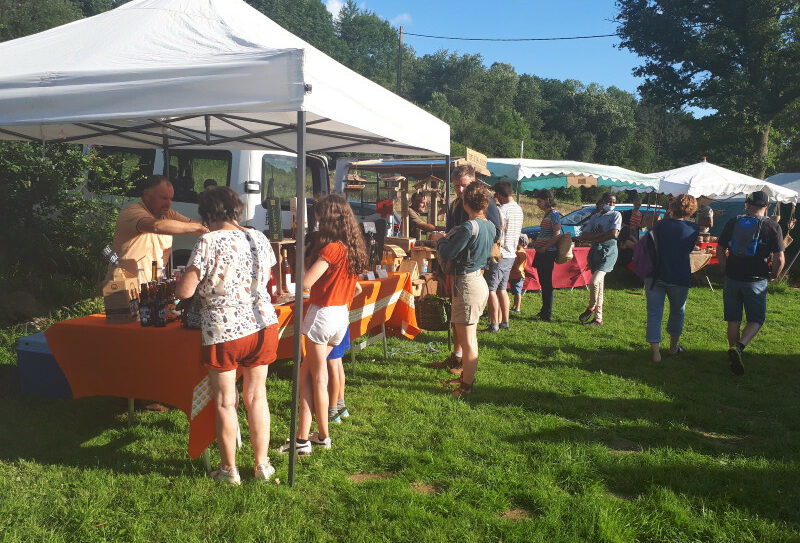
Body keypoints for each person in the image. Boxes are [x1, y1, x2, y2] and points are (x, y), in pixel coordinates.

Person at [175, 186, 279, 485]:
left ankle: (229, 469)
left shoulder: (208, 241)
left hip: (223, 330)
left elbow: (185, 292)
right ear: (237, 209)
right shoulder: (258, 236)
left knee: (225, 401)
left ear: (206, 213)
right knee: (257, 397)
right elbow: (267, 277)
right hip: (262, 325)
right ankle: (262, 466)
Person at [279, 194, 367, 455]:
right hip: (340, 317)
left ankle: (322, 437)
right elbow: (358, 288)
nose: (316, 222)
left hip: (322, 316)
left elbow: (306, 282)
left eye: (318, 217)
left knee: (316, 378)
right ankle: (303, 437)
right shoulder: (352, 247)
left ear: (327, 218)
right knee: (307, 375)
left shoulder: (332, 249)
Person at [433, 165, 501, 375]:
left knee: (466, 321)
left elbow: (494, 233)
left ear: (473, 181)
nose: (460, 190)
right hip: (457, 268)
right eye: (456, 186)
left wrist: (461, 243)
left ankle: (465, 367)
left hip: (472, 268)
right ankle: (457, 356)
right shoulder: (455, 204)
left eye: (464, 185)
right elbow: (451, 233)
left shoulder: (483, 203)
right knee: (458, 317)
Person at [716, 190, 785, 375]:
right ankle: (738, 348)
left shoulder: (733, 221)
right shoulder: (772, 226)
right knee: (756, 319)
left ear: (747, 204)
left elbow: (720, 248)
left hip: (732, 278)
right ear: (767, 207)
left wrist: (724, 268)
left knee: (733, 319)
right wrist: (774, 275)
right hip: (756, 280)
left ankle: (733, 353)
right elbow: (780, 257)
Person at [110, 175, 207, 284]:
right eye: (164, 198)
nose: (168, 204)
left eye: (170, 199)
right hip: (125, 284)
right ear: (147, 195)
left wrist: (218, 227)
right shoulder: (132, 212)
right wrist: (197, 228)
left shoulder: (168, 214)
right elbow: (156, 226)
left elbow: (192, 223)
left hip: (151, 282)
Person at [644, 194, 700, 362]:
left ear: (672, 206)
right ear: (691, 209)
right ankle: (673, 348)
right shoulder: (693, 229)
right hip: (679, 275)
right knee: (677, 311)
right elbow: (689, 249)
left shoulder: (659, 226)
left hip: (655, 274)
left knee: (654, 314)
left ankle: (656, 353)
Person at [578, 193, 622, 326]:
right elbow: (583, 235)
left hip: (608, 252)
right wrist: (602, 236)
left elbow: (614, 233)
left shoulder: (616, 215)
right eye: (609, 202)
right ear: (602, 202)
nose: (611, 205)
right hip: (596, 252)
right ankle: (598, 318)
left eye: (614, 202)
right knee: (599, 287)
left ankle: (591, 306)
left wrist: (595, 237)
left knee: (594, 282)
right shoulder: (596, 216)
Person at [485, 181, 524, 332]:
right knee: (502, 289)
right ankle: (505, 322)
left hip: (500, 254)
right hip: (511, 253)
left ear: (500, 195)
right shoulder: (519, 209)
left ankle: (494, 324)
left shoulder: (502, 211)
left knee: (491, 289)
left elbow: (497, 233)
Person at [532, 190, 562, 322]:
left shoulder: (554, 214)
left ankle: (547, 312)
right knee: (543, 283)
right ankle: (544, 310)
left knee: (547, 283)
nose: (538, 204)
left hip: (547, 253)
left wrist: (545, 247)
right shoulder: (548, 214)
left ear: (548, 200)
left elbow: (557, 234)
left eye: (540, 201)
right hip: (542, 252)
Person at [327, 328, 351, 424]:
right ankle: (340, 406)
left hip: (332, 326)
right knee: (338, 363)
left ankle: (333, 412)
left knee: (333, 365)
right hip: (342, 322)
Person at [509, 235, 528, 314]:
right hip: (513, 275)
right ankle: (514, 306)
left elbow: (518, 266)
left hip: (518, 275)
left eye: (517, 241)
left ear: (522, 243)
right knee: (515, 292)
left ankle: (518, 308)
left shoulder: (522, 253)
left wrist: (512, 260)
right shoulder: (516, 251)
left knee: (517, 292)